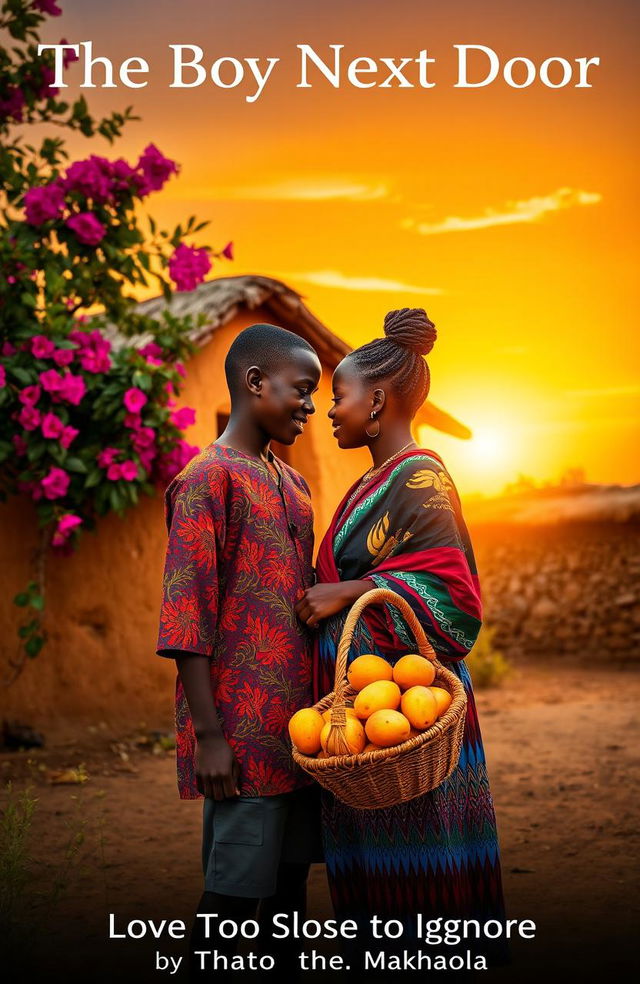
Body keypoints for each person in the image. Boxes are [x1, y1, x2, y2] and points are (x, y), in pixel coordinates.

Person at [295, 307, 510, 973]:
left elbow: (457, 598)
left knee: (422, 864)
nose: (332, 410)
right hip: (368, 709)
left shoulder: (421, 476)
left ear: (379, 399)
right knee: (376, 869)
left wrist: (350, 592)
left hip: (407, 709)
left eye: (341, 395)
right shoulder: (371, 481)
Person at [156, 323, 323, 981]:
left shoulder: (296, 485)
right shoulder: (206, 480)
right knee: (231, 898)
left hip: (302, 732)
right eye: (301, 390)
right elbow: (184, 615)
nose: (310, 405)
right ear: (256, 384)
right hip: (242, 736)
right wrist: (209, 736)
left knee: (289, 892)